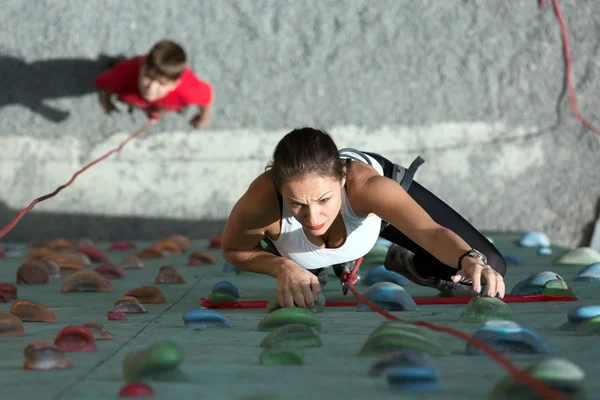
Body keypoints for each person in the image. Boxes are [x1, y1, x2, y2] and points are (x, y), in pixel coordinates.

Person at [221, 127, 506, 309]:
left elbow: (430, 232)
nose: (313, 217)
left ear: (342, 177)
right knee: (305, 276)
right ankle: (323, 264)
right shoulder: (262, 203)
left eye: (324, 200)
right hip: (301, 250)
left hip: (371, 214)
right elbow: (234, 249)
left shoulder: (369, 190)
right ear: (280, 191)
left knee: (489, 267)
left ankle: (407, 262)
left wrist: (469, 257)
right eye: (297, 204)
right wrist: (281, 268)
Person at [94, 39, 212, 127]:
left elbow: (206, 98)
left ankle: (153, 112)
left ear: (174, 85)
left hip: (153, 104)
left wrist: (203, 117)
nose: (151, 88)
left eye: (162, 83)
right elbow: (104, 86)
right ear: (141, 67)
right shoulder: (122, 75)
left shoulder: (188, 92)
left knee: (152, 107)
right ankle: (152, 112)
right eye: (148, 76)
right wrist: (106, 103)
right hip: (147, 103)